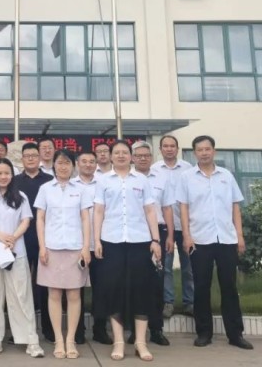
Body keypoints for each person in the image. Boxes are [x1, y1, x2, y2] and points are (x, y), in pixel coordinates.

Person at [177, 135, 253, 351]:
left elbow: (235, 207)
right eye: (199, 150)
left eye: (207, 149)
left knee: (229, 286)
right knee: (201, 287)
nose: (204, 153)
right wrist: (187, 236)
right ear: (194, 153)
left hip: (226, 238)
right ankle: (204, 333)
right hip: (199, 240)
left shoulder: (226, 176)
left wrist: (239, 235)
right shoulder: (187, 177)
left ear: (214, 151)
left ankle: (235, 334)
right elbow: (183, 208)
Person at [93, 140, 162, 362]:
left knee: (141, 290)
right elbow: (99, 211)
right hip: (111, 241)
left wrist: (155, 240)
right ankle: (119, 341)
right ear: (111, 156)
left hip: (139, 241)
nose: (121, 155)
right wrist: (97, 240)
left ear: (131, 156)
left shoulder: (141, 180)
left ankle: (141, 342)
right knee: (114, 291)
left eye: (125, 152)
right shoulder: (103, 180)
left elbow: (150, 210)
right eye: (117, 152)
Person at [0, 159, 45, 358]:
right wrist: (0, 236)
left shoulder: (20, 196)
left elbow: (26, 220)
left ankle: (30, 341)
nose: (3, 177)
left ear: (12, 175)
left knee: (21, 296)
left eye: (7, 173)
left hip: (15, 251)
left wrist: (13, 237)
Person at [34, 149, 92, 360]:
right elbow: (40, 218)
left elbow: (85, 219)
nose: (63, 166)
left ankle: (71, 340)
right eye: (59, 162)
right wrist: (42, 246)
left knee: (74, 295)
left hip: (75, 247)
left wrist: (86, 247)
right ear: (54, 165)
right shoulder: (45, 189)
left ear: (73, 166)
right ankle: (59, 339)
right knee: (54, 294)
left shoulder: (81, 189)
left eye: (67, 163)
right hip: (52, 247)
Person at [129, 141, 174, 347]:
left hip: (159, 233)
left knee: (156, 281)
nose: (142, 158)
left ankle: (156, 329)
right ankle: (134, 331)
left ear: (152, 157)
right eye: (138, 155)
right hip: (135, 235)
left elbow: (167, 209)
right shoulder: (126, 178)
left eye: (146, 155)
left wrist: (170, 236)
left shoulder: (161, 178)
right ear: (132, 158)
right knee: (133, 282)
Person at [15, 142, 55, 342]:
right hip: (19, 238)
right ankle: (20, 331)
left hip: (44, 239)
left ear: (39, 158)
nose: (30, 158)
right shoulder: (14, 181)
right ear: (22, 159)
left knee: (46, 285)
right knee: (20, 286)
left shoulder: (49, 181)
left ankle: (49, 329)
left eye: (34, 155)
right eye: (27, 156)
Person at [73, 151, 112, 346]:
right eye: (84, 161)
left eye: (91, 161)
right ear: (77, 164)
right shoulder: (70, 185)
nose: (88, 164)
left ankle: (100, 329)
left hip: (99, 243)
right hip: (77, 244)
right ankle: (78, 330)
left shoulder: (104, 183)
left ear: (96, 164)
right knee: (76, 288)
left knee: (101, 288)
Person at [152, 135, 194, 318]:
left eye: (172, 146)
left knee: (188, 266)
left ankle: (190, 302)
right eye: (165, 146)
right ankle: (168, 302)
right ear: (160, 149)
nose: (169, 149)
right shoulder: (154, 170)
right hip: (164, 226)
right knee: (166, 267)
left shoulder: (188, 168)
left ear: (177, 148)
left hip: (186, 226)